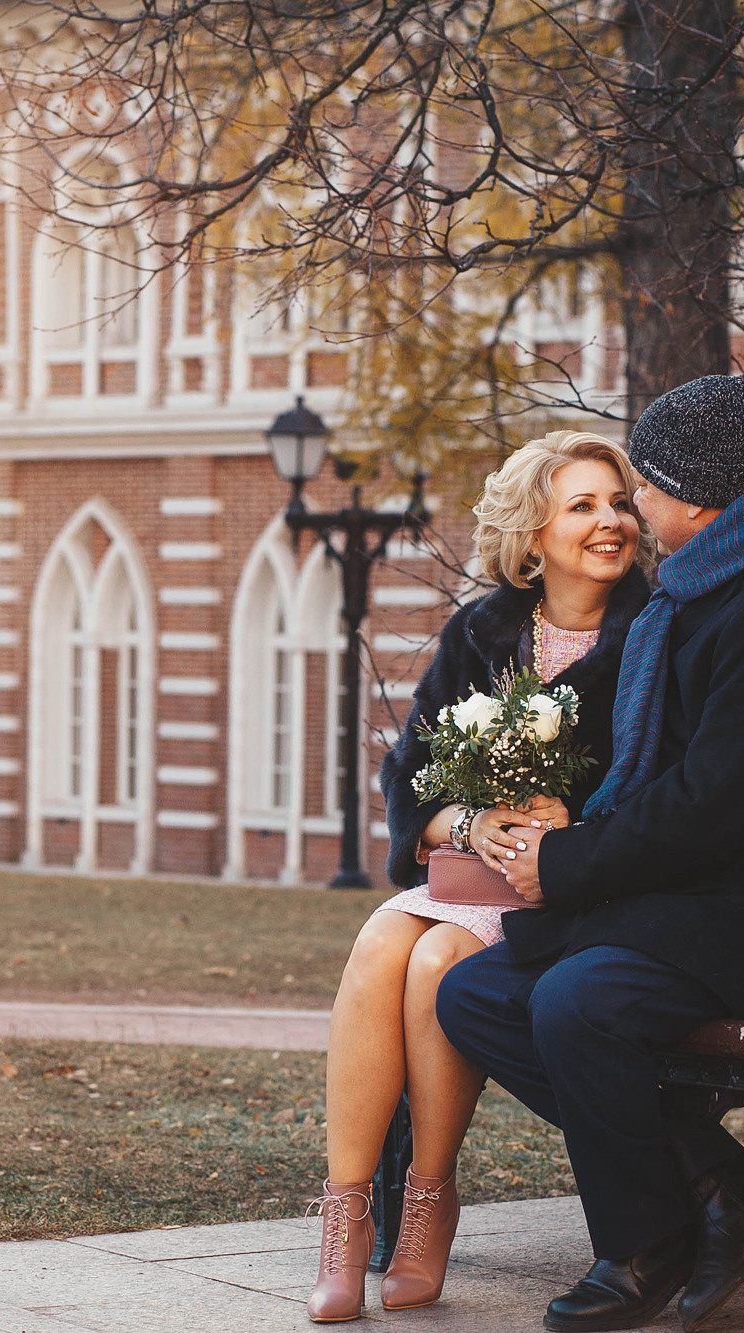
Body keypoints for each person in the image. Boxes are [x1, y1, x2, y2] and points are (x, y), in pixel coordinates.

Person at [434, 377, 744, 1332]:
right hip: (728, 899)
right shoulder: (707, 594)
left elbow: (718, 805)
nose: (636, 509)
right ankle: (724, 1183)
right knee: (479, 995)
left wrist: (567, 865)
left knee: (580, 1001)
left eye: (644, 486)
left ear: (696, 496)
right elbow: (683, 802)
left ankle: (640, 1246)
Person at [307, 431, 655, 1323]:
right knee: (383, 939)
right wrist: (463, 820)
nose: (610, 521)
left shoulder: (655, 631)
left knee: (438, 963)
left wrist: (572, 823)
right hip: (470, 871)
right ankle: (345, 1216)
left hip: (575, 891)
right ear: (534, 534)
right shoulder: (486, 627)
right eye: (582, 506)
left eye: (617, 503)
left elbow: (658, 782)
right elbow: (410, 768)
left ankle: (427, 1199)